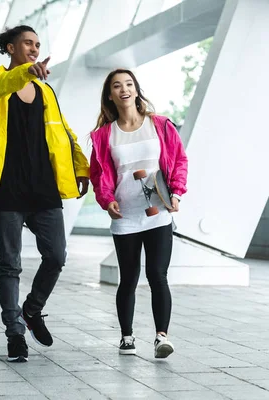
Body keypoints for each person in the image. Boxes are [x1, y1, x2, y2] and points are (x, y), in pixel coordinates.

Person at [0, 25, 90, 362]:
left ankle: (32, 309)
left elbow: (64, 133)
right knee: (9, 264)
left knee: (56, 255)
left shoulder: (46, 91)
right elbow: (3, 84)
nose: (35, 49)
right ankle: (14, 333)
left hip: (43, 187)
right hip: (7, 186)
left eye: (38, 45)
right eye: (28, 43)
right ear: (10, 47)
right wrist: (25, 71)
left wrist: (80, 167)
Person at [89, 69, 188, 358]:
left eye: (129, 84)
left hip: (158, 213)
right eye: (117, 86)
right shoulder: (104, 135)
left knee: (158, 275)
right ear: (110, 94)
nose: (124, 89)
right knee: (129, 278)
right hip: (126, 216)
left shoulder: (159, 125)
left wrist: (177, 193)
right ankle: (127, 337)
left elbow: (179, 159)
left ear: (136, 89)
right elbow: (100, 176)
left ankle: (161, 337)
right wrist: (106, 201)